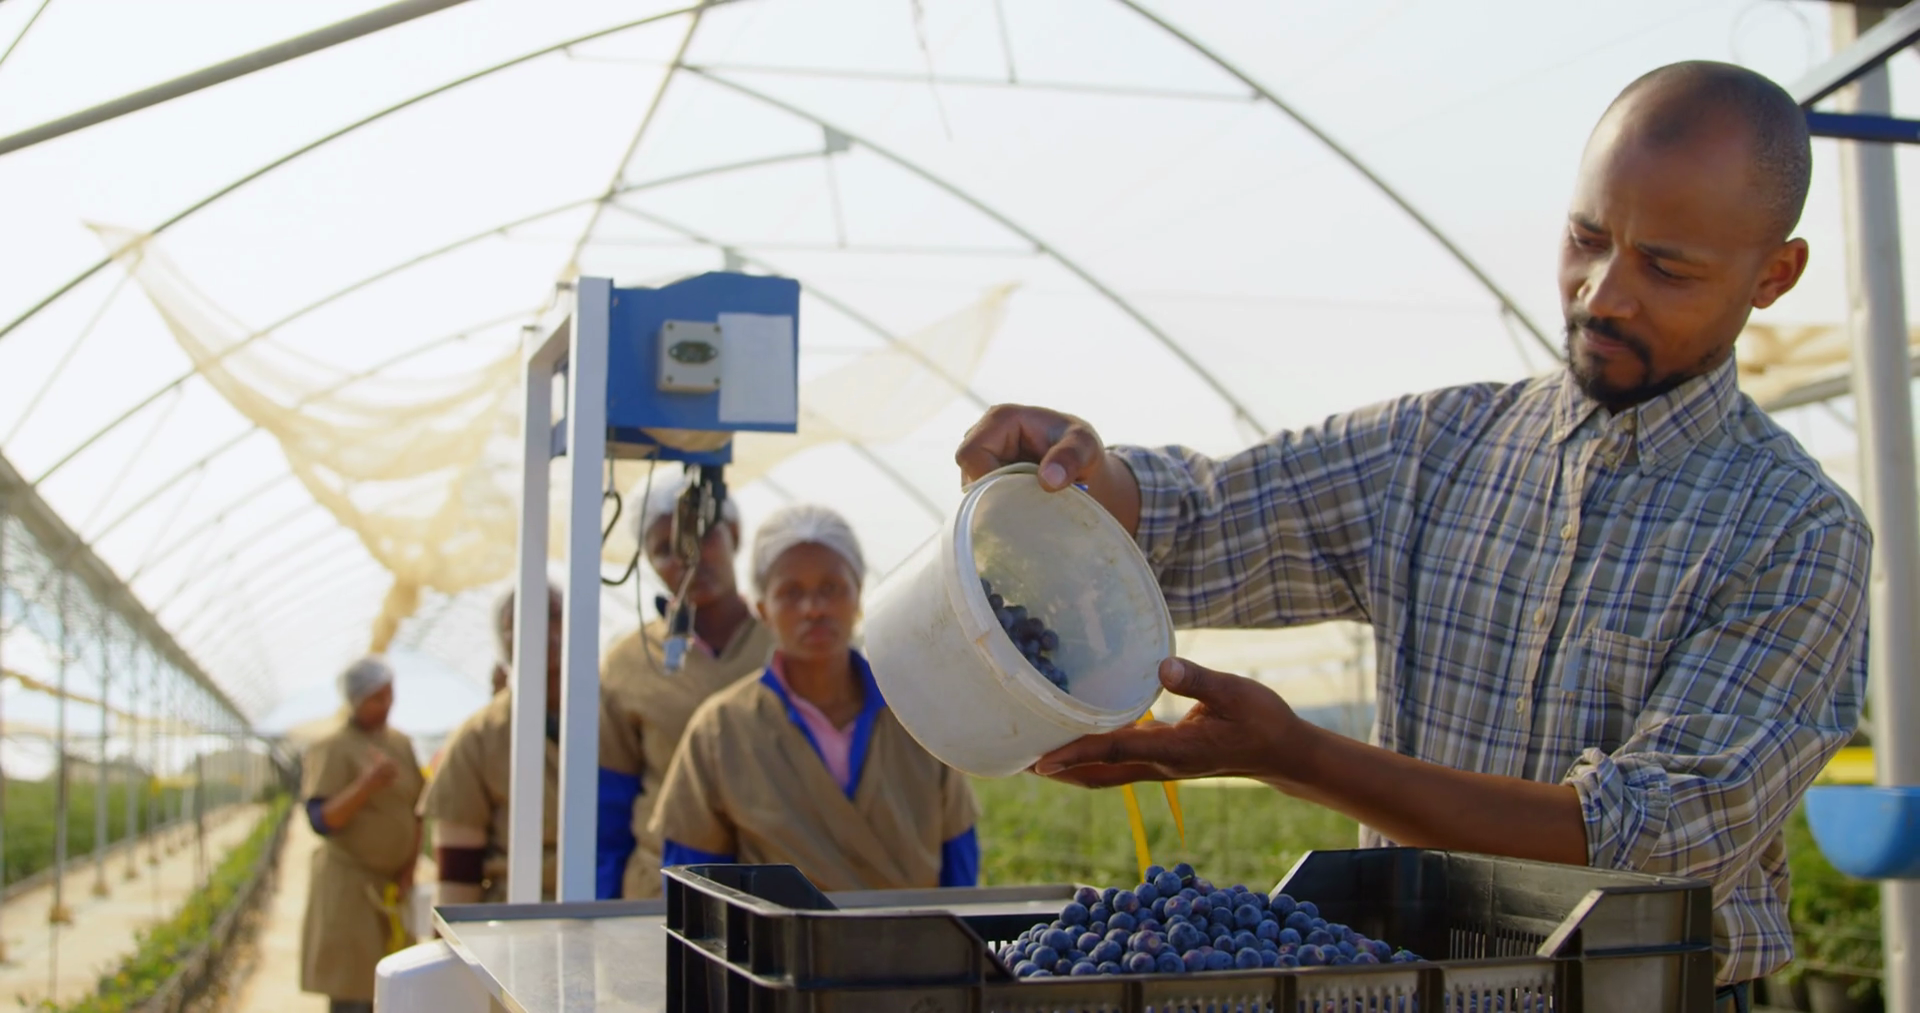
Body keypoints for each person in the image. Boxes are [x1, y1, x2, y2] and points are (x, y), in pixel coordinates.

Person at [955, 62, 1862, 1011]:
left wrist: (1294, 755)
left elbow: (1645, 847)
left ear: (1775, 274)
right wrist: (1082, 476)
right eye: (1586, 239)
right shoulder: (1438, 448)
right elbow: (1208, 519)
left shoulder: (1794, 534)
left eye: (1667, 268)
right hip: (1408, 988)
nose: (1604, 294)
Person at [650, 504, 980, 891]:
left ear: (858, 596)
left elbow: (959, 860)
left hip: (920, 930)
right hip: (780, 934)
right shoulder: (720, 729)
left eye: (831, 588)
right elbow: (696, 887)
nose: (814, 609)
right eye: (791, 593)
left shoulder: (917, 710)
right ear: (763, 610)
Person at [601, 478, 775, 899]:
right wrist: (603, 910)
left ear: (735, 534)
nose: (688, 557)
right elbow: (608, 807)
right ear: (647, 561)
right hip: (664, 893)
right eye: (665, 548)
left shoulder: (786, 646)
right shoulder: (628, 664)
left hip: (776, 886)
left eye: (703, 535)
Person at [419, 585, 643, 902]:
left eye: (554, 616)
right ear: (502, 642)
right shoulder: (477, 739)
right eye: (522, 620)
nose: (542, 630)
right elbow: (457, 875)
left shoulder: (625, 717)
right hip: (520, 913)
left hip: (621, 909)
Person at [298, 656, 424, 1013]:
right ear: (355, 701)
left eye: (389, 695)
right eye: (376, 698)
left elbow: (418, 811)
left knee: (393, 992)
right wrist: (367, 785)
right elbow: (322, 820)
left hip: (392, 888)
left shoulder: (401, 744)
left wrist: (408, 870)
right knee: (352, 991)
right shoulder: (333, 747)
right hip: (350, 889)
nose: (386, 704)